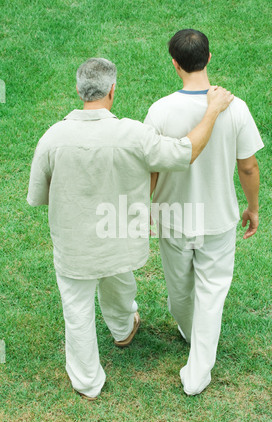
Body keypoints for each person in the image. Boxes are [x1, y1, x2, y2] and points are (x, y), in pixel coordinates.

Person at [27, 57, 233, 400]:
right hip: (118, 238)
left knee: (77, 310)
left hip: (75, 247)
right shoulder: (133, 133)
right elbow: (184, 153)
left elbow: (39, 197)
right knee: (118, 276)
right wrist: (211, 110)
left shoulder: (53, 137)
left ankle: (88, 382)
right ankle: (123, 328)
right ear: (112, 90)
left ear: (78, 90)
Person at [145, 29, 264, 396]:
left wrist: (144, 210)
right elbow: (248, 167)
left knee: (179, 289)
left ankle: (190, 333)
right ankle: (198, 372)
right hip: (218, 219)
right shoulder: (236, 107)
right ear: (209, 58)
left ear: (175, 63)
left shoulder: (160, 110)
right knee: (212, 293)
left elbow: (150, 168)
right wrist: (253, 207)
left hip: (172, 219)